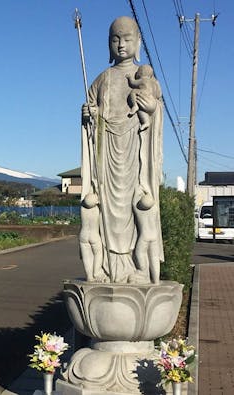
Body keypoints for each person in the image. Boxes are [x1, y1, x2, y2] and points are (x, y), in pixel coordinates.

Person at [79, 16, 164, 284]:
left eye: (127, 39)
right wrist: (88, 114)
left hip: (134, 151)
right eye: (115, 39)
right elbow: (90, 109)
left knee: (133, 206)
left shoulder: (145, 76)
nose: (121, 44)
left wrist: (150, 109)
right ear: (108, 44)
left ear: (137, 42)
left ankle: (136, 269)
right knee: (106, 209)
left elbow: (155, 110)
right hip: (106, 154)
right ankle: (106, 267)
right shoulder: (102, 79)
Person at [126, 64, 162, 131]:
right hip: (153, 104)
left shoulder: (143, 80)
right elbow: (159, 95)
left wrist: (129, 78)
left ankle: (134, 105)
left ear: (141, 73)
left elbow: (133, 83)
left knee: (133, 92)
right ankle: (146, 122)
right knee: (141, 109)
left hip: (145, 99)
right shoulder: (154, 83)